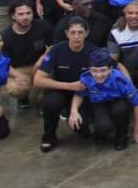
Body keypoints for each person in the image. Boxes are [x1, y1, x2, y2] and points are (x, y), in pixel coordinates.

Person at [33, 15, 95, 152]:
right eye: (73, 32)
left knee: (82, 126)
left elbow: (113, 68)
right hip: (59, 89)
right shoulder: (56, 50)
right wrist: (69, 86)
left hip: (82, 94)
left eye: (80, 32)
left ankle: (80, 125)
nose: (76, 36)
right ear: (66, 33)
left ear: (87, 33)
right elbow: (37, 80)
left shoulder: (94, 51)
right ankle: (49, 136)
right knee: (50, 103)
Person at [69, 48, 138, 150]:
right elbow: (79, 94)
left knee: (121, 111)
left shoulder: (120, 80)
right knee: (103, 127)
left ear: (110, 69)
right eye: (95, 71)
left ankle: (121, 136)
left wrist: (137, 130)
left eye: (103, 70)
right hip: (98, 103)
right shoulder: (86, 78)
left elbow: (137, 103)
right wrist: (73, 111)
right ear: (89, 69)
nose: (99, 75)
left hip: (118, 101)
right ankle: (99, 133)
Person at [1, 0, 51, 107]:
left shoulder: (42, 26)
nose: (25, 17)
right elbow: (2, 63)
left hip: (41, 64)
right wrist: (18, 75)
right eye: (21, 14)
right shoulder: (5, 36)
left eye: (28, 13)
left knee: (51, 76)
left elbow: (52, 47)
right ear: (13, 16)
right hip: (19, 68)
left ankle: (42, 100)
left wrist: (42, 60)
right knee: (16, 88)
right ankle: (23, 97)